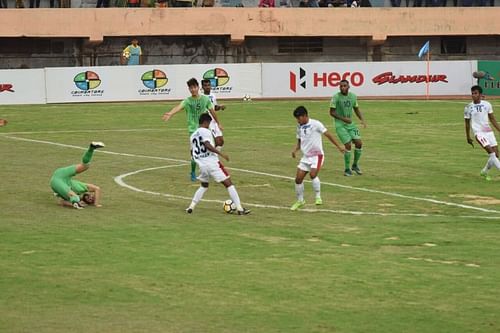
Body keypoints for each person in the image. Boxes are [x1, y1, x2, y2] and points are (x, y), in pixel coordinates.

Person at [186, 113, 250, 215]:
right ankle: (240, 209)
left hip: (202, 165)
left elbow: (191, 153)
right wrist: (221, 154)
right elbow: (207, 145)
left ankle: (191, 207)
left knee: (204, 186)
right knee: (229, 184)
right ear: (206, 122)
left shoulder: (193, 135)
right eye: (209, 123)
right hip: (212, 163)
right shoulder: (205, 131)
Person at [162, 78, 223, 181]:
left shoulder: (205, 99)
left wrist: (218, 123)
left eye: (194, 87)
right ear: (189, 89)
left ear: (198, 87)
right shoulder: (188, 101)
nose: (193, 89)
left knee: (209, 150)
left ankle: (212, 171)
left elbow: (212, 111)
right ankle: (193, 172)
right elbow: (178, 107)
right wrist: (170, 113)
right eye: (191, 88)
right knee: (194, 153)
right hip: (193, 131)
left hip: (204, 130)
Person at [290, 106, 345, 211]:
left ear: (305, 116)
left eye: (299, 118)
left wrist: (339, 146)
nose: (298, 120)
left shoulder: (316, 124)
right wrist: (295, 150)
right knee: (298, 179)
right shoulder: (299, 127)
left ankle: (318, 197)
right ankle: (300, 201)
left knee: (313, 174)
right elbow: (299, 141)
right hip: (306, 157)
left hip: (317, 155)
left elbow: (328, 134)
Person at [50, 142, 105, 209]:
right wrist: (96, 204)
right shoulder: (82, 188)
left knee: (75, 197)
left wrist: (73, 203)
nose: (90, 197)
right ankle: (91, 148)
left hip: (56, 182)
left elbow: (61, 202)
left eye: (89, 200)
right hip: (62, 174)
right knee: (85, 166)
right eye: (92, 197)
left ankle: (76, 204)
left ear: (86, 201)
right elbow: (97, 189)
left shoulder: (75, 197)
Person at [329, 79, 367, 177]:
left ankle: (354, 165)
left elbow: (356, 109)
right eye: (341, 86)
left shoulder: (353, 97)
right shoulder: (336, 97)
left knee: (359, 143)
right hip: (340, 125)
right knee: (348, 145)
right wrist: (343, 119)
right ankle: (347, 169)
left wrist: (362, 119)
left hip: (350, 124)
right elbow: (332, 112)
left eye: (344, 86)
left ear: (348, 87)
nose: (342, 88)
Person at [464, 85, 500, 181]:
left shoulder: (487, 104)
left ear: (480, 94)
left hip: (488, 132)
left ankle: (484, 172)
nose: (473, 95)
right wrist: (468, 136)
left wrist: (499, 129)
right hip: (479, 133)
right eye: (472, 93)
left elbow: (492, 119)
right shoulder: (468, 107)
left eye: (475, 93)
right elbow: (467, 124)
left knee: (496, 154)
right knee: (491, 153)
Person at [201, 78, 225, 148]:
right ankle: (211, 156)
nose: (208, 87)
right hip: (208, 122)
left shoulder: (213, 95)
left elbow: (214, 108)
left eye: (209, 85)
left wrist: (220, 107)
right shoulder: (201, 97)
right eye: (205, 85)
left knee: (221, 141)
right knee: (216, 141)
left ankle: (213, 155)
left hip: (214, 121)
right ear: (202, 87)